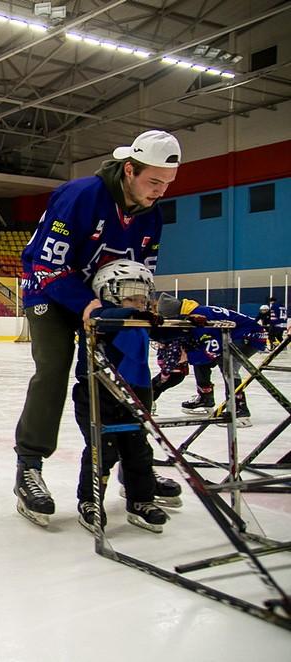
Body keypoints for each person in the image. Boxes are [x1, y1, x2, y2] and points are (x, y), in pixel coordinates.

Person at [14, 129, 181, 527]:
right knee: (53, 370)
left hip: (103, 298)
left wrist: (139, 308)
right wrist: (86, 304)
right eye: (153, 181)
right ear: (129, 170)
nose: (159, 191)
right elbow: (47, 264)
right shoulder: (81, 195)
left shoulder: (151, 213)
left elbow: (144, 268)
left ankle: (132, 463)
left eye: (167, 184)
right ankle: (29, 467)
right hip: (49, 293)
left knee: (130, 369)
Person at [72, 260, 169, 534]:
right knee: (102, 449)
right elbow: (105, 319)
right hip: (97, 394)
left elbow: (165, 329)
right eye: (130, 294)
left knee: (138, 450)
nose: (138, 301)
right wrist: (133, 313)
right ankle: (90, 501)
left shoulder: (139, 320)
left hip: (134, 394)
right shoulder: (99, 317)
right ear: (107, 291)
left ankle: (141, 500)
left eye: (142, 295)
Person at [157, 296, 268, 427]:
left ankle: (240, 410)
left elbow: (213, 347)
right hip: (234, 336)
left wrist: (187, 356)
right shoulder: (190, 314)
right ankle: (206, 398)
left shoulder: (199, 316)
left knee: (227, 363)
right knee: (200, 362)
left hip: (249, 336)